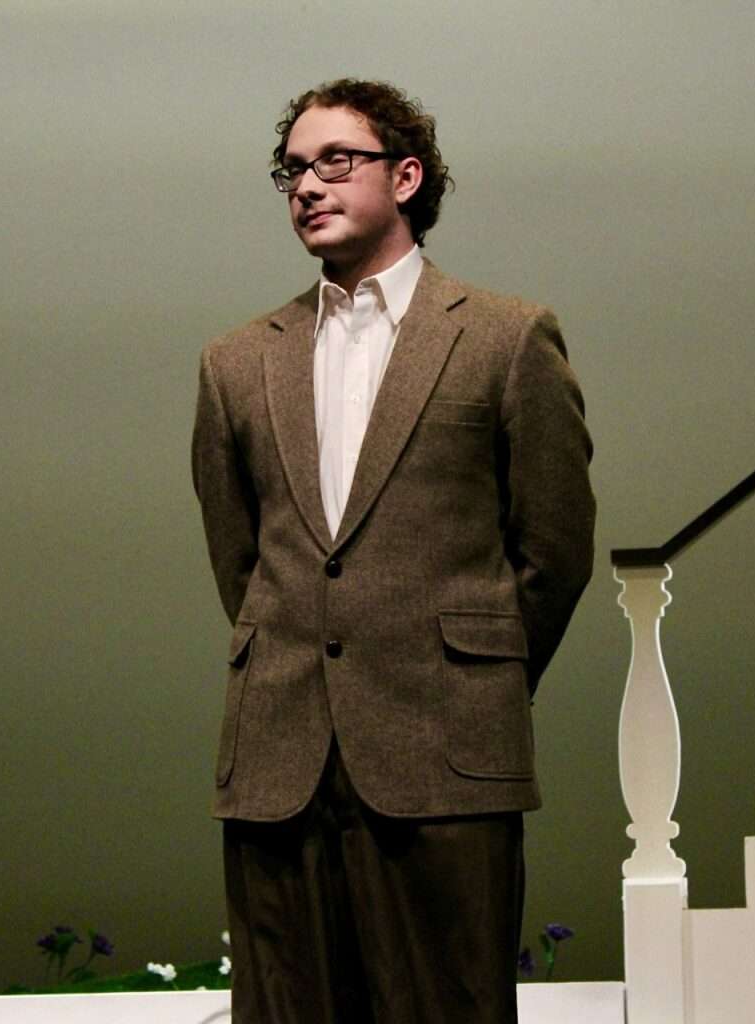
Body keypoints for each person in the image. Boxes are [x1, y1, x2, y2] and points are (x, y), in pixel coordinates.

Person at [191, 78, 595, 1023]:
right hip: (279, 758)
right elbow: (240, 561)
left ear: (406, 176)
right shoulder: (237, 361)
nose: (308, 184)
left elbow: (555, 550)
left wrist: (472, 677)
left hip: (445, 748)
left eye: (337, 160)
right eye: (292, 169)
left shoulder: (505, 336)